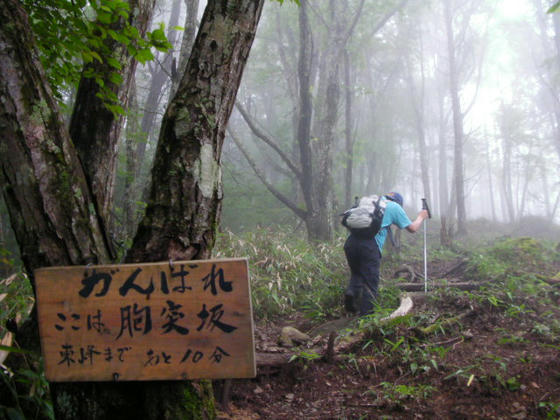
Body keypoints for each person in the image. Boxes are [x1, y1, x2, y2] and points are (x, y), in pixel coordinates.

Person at [344, 192, 429, 316]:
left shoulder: (372, 202)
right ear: (399, 202)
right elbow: (412, 228)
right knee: (371, 282)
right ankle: (366, 318)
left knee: (357, 273)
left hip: (351, 243)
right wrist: (421, 216)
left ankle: (351, 293)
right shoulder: (394, 207)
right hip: (369, 246)